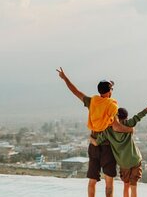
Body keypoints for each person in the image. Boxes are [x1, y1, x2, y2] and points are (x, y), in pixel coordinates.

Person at [57, 67, 133, 197]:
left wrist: (65, 79)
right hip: (107, 147)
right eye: (112, 89)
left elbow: (75, 91)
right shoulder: (112, 106)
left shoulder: (92, 102)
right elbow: (115, 126)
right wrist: (130, 129)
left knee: (92, 180)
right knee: (109, 182)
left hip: (93, 145)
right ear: (109, 91)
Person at [91, 98, 147, 197]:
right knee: (133, 187)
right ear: (126, 118)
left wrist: (91, 137)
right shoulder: (128, 124)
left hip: (124, 163)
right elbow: (142, 113)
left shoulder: (107, 131)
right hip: (135, 160)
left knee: (126, 186)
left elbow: (96, 143)